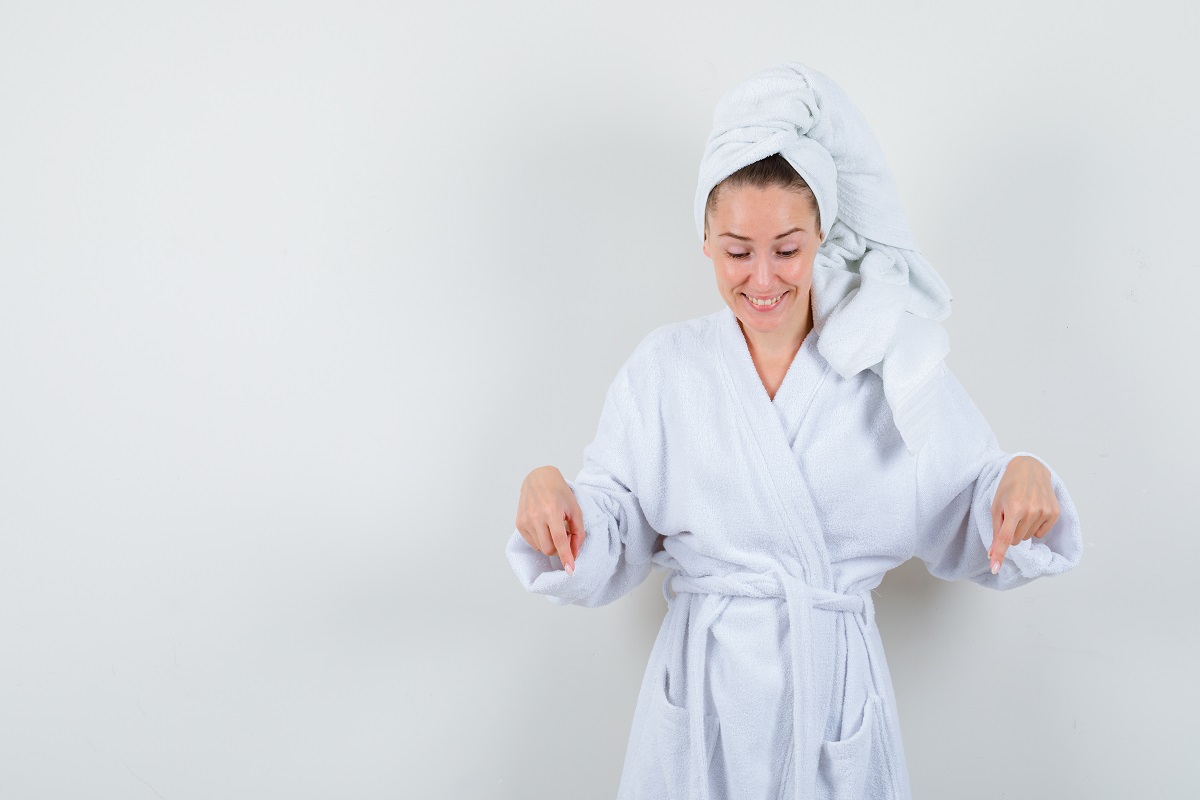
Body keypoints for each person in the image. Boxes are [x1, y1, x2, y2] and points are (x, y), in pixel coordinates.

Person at [505, 63, 1082, 800]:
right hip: (700, 708)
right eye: (738, 251)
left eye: (788, 249)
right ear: (706, 240)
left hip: (833, 701)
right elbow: (609, 522)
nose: (765, 279)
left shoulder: (887, 366)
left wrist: (1020, 476)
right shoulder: (666, 371)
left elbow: (974, 498)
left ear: (822, 237)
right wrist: (554, 498)